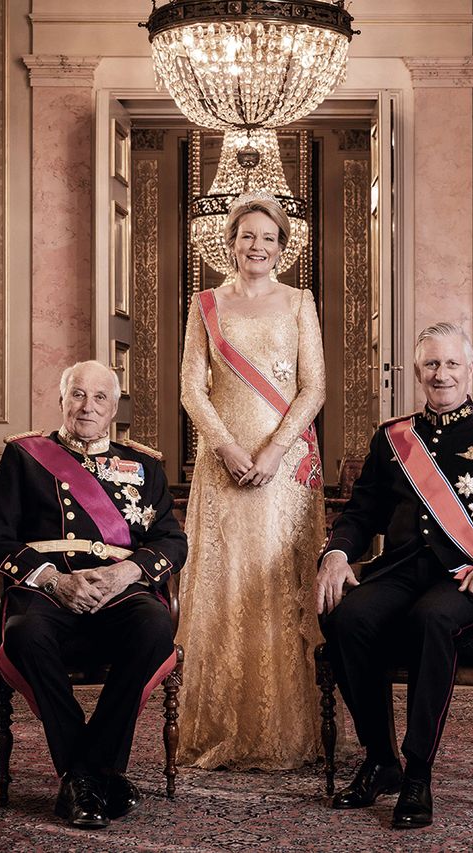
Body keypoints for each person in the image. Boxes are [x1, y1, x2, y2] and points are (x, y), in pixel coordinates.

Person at [318, 322, 473, 829]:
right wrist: (336, 553)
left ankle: (418, 772)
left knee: (432, 620)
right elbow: (361, 513)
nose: (441, 374)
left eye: (451, 364)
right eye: (431, 364)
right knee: (346, 618)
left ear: (469, 369)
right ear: (418, 372)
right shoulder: (393, 438)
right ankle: (382, 761)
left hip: (466, 576)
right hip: (402, 569)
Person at [0, 360, 187, 830]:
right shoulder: (25, 457)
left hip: (118, 593)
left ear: (114, 408)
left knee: (154, 626)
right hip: (47, 592)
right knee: (24, 633)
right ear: (62, 400)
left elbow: (172, 541)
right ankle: (98, 775)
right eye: (78, 395)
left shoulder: (145, 466)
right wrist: (53, 580)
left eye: (100, 398)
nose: (88, 407)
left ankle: (83, 773)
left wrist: (127, 572)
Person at [176, 191, 328, 770]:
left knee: (277, 586)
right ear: (230, 243)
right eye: (247, 236)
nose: (257, 246)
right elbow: (192, 389)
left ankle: (283, 730)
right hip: (223, 467)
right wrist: (228, 448)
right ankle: (218, 727)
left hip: (285, 471)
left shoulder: (300, 302)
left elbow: (314, 388)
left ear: (282, 247)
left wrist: (273, 451)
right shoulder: (206, 305)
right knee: (226, 585)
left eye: (268, 237)